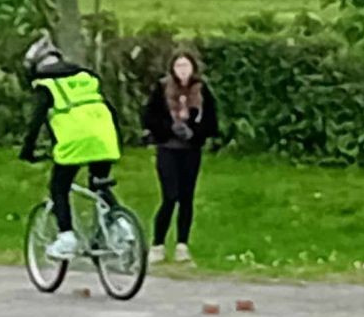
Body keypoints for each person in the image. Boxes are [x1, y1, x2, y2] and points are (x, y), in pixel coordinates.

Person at [19, 37, 122, 260]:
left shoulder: (46, 86)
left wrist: (27, 150)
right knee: (99, 185)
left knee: (59, 187)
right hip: (105, 137)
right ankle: (121, 225)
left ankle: (67, 238)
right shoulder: (86, 78)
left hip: (74, 142)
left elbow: (36, 121)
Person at [141, 52, 219, 264]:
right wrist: (168, 129)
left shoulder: (202, 90)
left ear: (193, 68)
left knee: (187, 197)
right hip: (167, 147)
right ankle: (158, 244)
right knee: (170, 196)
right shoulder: (162, 88)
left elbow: (212, 121)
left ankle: (182, 245)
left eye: (186, 66)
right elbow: (149, 116)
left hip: (191, 150)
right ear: (172, 69)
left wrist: (195, 132)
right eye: (179, 66)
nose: (183, 70)